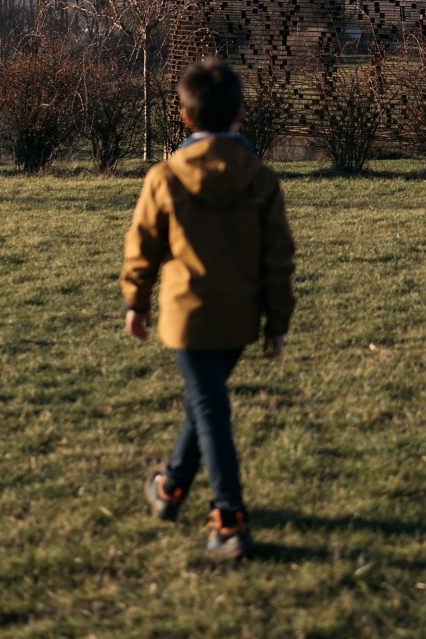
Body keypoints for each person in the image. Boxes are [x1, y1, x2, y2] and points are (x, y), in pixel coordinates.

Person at [119, 58, 296, 560]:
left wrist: (135, 300)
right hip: (240, 317)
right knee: (207, 404)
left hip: (186, 317)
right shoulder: (261, 180)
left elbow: (142, 245)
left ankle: (229, 517)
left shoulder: (164, 177)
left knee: (210, 409)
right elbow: (278, 257)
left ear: (184, 117)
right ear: (241, 112)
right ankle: (171, 487)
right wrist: (277, 320)